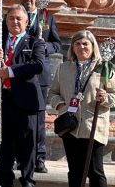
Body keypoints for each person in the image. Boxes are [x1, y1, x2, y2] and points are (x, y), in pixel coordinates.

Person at [0, 5, 45, 187]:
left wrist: (9, 71)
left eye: (19, 19)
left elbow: (37, 65)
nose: (15, 22)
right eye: (11, 18)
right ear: (5, 21)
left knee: (27, 143)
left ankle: (27, 180)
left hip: (25, 101)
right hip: (2, 100)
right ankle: (4, 179)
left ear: (26, 22)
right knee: (2, 141)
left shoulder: (35, 42)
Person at [48, 30, 113, 187]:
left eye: (85, 43)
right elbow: (52, 93)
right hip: (70, 126)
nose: (81, 47)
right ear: (72, 47)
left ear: (92, 46)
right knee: (75, 171)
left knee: (95, 172)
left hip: (93, 126)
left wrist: (105, 98)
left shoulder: (103, 67)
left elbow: (113, 95)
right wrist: (62, 105)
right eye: (77, 43)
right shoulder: (63, 68)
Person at [18, 0, 61, 173]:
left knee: (39, 119)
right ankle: (21, 157)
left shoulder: (47, 19)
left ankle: (39, 158)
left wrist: (46, 48)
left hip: (40, 75)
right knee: (20, 118)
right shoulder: (16, 18)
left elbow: (57, 44)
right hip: (19, 73)